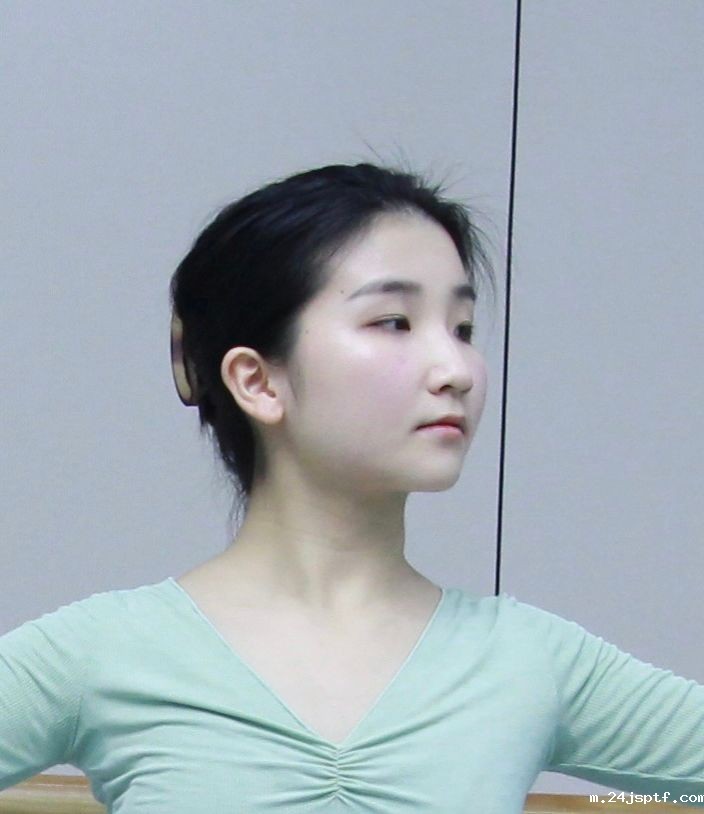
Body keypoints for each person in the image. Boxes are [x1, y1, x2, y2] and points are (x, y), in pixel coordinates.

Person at [1, 161, 703, 813]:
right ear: (257, 380)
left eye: (462, 328)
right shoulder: (104, 654)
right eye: (394, 322)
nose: (456, 369)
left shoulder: (528, 661)